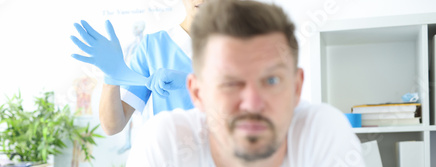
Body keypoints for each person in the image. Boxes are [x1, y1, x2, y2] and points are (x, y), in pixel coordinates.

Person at [126, 0, 365, 166]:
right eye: (230, 82)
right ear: (198, 93)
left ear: (296, 87)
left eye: (271, 80)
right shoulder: (164, 145)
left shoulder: (322, 133)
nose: (252, 103)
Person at [70, 0, 205, 138]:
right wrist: (112, 78)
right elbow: (113, 125)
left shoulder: (227, 44)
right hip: (170, 155)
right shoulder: (153, 46)